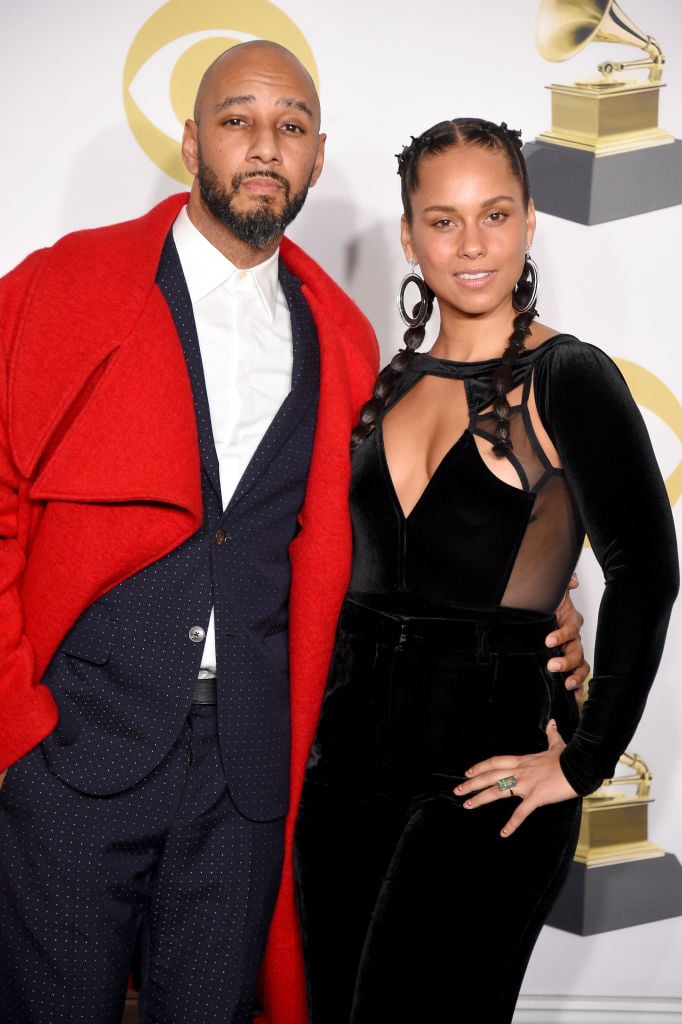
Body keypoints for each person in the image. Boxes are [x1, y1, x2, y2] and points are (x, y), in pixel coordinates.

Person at [0, 43, 588, 1024]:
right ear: (191, 141)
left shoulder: (343, 337)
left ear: (317, 156)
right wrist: (18, 735)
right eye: (237, 119)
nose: (264, 144)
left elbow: (392, 543)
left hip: (247, 779)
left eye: (291, 125)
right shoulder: (64, 286)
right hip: (74, 758)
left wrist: (538, 610)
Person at [294, 117, 679, 1024]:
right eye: (444, 220)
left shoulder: (569, 376)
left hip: (489, 771)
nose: (472, 246)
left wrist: (583, 763)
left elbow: (647, 570)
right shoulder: (382, 380)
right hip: (346, 771)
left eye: (495, 214)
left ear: (532, 220)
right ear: (409, 235)